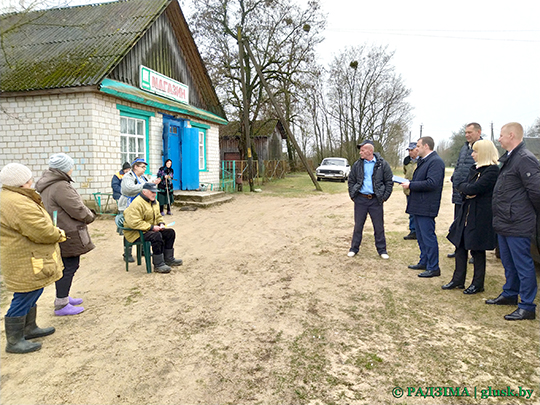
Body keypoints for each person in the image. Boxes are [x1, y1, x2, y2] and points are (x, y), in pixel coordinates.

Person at [0, 163, 65, 353]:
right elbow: (40, 230)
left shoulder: (12, 197)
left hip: (25, 254)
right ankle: (14, 340)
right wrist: (58, 233)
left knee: (32, 290)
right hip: (24, 256)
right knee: (25, 294)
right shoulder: (17, 203)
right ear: (22, 182)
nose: (32, 180)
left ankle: (29, 328)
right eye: (29, 178)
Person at [486, 122, 540, 321]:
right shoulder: (510, 158)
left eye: (501, 135)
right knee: (508, 263)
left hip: (518, 223)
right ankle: (510, 293)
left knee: (523, 265)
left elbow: (536, 191)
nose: (498, 139)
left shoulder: (525, 159)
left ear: (511, 135)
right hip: (504, 222)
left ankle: (527, 306)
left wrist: (527, 214)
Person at [35, 153, 96, 316]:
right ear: (65, 168)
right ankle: (61, 303)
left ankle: (64, 298)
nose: (72, 169)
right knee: (69, 266)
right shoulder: (61, 186)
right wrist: (90, 216)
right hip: (67, 230)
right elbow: (76, 208)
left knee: (67, 265)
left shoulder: (49, 184)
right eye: (71, 166)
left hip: (59, 227)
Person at [444, 140, 499, 294]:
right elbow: (462, 185)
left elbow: (475, 188)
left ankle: (477, 283)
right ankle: (458, 279)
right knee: (460, 246)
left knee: (476, 250)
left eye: (475, 152)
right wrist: (466, 190)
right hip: (466, 213)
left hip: (480, 216)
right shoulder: (474, 169)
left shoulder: (492, 171)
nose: (472, 155)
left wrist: (467, 190)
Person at [402, 136, 445, 277]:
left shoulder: (436, 162)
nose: (416, 149)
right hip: (418, 204)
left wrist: (411, 185)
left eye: (418, 146)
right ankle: (424, 261)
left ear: (426, 146)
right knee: (420, 236)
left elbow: (432, 183)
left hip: (427, 205)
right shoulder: (423, 161)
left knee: (428, 236)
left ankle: (433, 267)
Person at [347, 140, 393, 259]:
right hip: (360, 199)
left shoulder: (382, 164)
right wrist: (353, 195)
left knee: (378, 226)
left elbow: (389, 181)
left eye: (362, 150)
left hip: (376, 200)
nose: (360, 153)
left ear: (370, 151)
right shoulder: (357, 164)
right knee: (358, 226)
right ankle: (354, 248)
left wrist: (384, 197)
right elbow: (351, 180)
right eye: (360, 150)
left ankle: (382, 250)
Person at [123, 182, 183, 273]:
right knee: (156, 236)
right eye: (152, 192)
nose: (155, 194)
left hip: (148, 229)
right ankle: (158, 264)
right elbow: (134, 223)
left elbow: (158, 216)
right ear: (144, 192)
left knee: (170, 233)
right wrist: (151, 227)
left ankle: (168, 259)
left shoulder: (155, 202)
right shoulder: (136, 203)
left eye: (155, 192)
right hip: (136, 232)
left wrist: (161, 223)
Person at [448, 123, 482, 258]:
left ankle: (475, 253)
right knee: (458, 221)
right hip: (459, 193)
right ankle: (459, 249)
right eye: (466, 132)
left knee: (473, 225)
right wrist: (454, 178)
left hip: (471, 193)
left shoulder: (482, 148)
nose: (467, 135)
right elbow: (458, 166)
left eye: (470, 132)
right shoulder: (464, 148)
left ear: (478, 132)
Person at [118, 157, 160, 262]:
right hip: (128, 205)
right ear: (135, 167)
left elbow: (146, 188)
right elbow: (129, 189)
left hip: (141, 206)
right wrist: (145, 185)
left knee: (143, 225)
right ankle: (127, 253)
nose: (144, 169)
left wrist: (152, 184)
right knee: (129, 227)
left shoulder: (143, 177)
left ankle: (142, 250)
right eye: (142, 167)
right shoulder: (128, 176)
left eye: (145, 167)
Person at [402, 142, 419, 240]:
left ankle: (418, 230)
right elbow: (405, 172)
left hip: (418, 188)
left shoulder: (422, 160)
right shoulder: (406, 161)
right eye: (409, 150)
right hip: (408, 190)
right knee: (411, 211)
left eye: (411, 150)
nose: (410, 152)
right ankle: (413, 231)